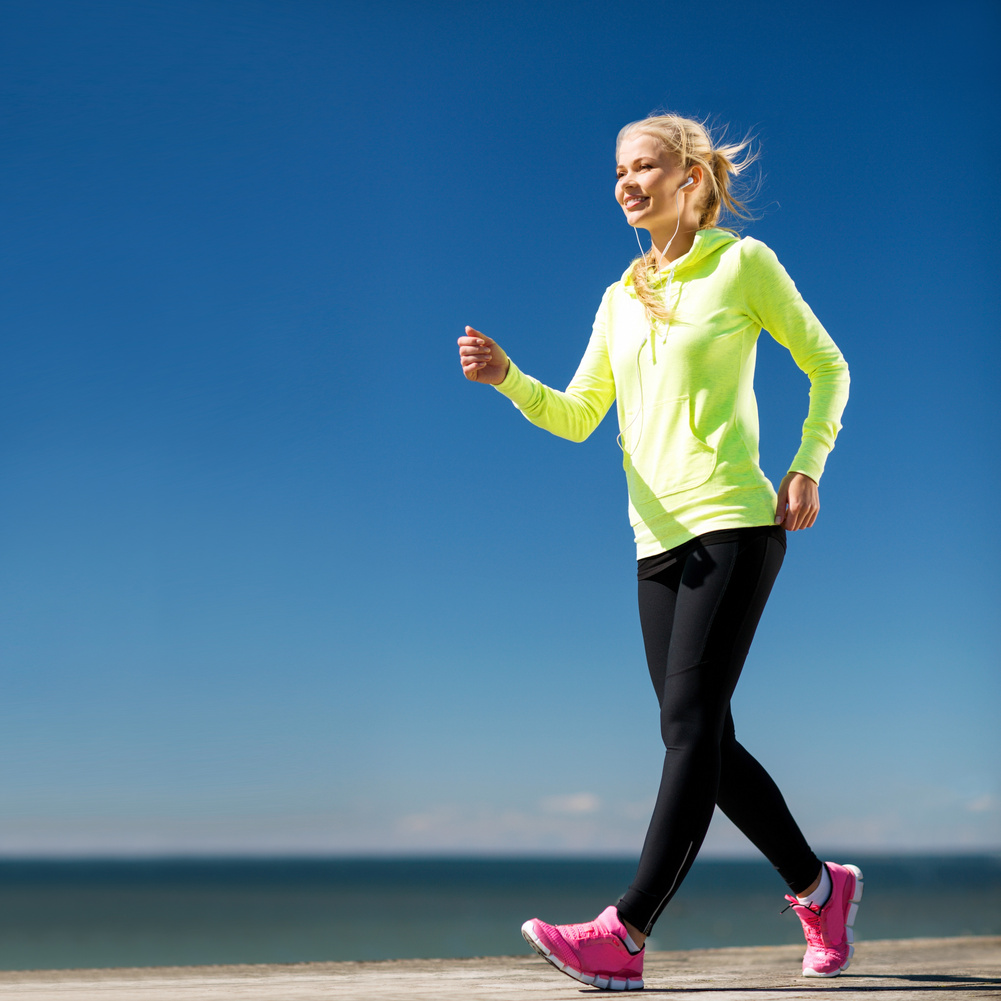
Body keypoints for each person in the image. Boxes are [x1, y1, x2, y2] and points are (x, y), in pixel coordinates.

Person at [457, 113, 856, 993]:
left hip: (734, 522)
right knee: (702, 736)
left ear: (690, 178)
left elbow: (828, 366)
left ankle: (625, 931)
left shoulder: (741, 265)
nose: (626, 182)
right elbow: (577, 417)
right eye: (616, 171)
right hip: (655, 540)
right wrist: (508, 379)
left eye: (645, 166)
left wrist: (806, 463)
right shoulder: (616, 296)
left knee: (685, 728)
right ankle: (821, 889)